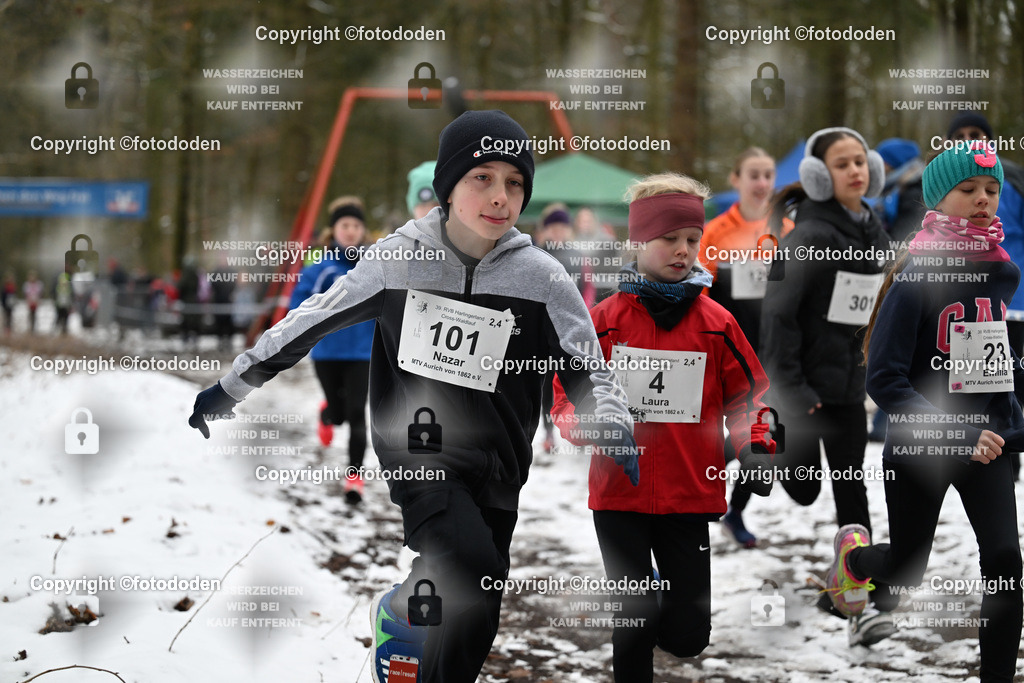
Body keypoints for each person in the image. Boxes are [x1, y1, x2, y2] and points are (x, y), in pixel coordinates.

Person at [188, 110, 638, 683]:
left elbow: (586, 364)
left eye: (514, 182)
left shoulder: (542, 277)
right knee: (469, 563)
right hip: (419, 450)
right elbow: (310, 321)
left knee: (477, 613)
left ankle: (410, 623)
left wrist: (612, 421)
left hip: (501, 462)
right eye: (482, 178)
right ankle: (404, 608)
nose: (500, 196)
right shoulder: (398, 259)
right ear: (447, 185)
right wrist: (233, 385)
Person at [552, 172, 775, 682]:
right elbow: (566, 396)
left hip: (689, 496)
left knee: (687, 636)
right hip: (618, 497)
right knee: (633, 623)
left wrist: (757, 445)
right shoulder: (603, 321)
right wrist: (594, 426)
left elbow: (751, 396)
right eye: (669, 238)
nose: (683, 250)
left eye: (692, 239)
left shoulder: (717, 323)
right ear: (637, 242)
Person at [826, 143, 1024, 678]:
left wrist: (1011, 422)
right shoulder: (915, 279)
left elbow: (991, 361)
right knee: (903, 571)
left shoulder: (1001, 270)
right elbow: (884, 380)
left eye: (991, 190)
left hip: (986, 448)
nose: (983, 199)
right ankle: (853, 560)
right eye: (968, 189)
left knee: (1005, 561)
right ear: (938, 199)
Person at [760, 127, 894, 637]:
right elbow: (777, 317)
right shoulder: (809, 237)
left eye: (860, 161)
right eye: (842, 164)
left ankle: (856, 595)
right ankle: (765, 449)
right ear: (819, 176)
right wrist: (792, 390)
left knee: (851, 489)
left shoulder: (875, 231)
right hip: (802, 394)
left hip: (848, 389)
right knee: (803, 488)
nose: (856, 170)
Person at [700, 147, 791, 547]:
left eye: (768, 174)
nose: (762, 183)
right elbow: (700, 294)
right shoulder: (715, 232)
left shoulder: (787, 230)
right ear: (735, 179)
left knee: (766, 437)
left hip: (775, 354)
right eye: (754, 174)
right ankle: (700, 485)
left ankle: (736, 510)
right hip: (729, 353)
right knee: (726, 433)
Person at [289, 196, 375, 504]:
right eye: (345, 225)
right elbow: (298, 305)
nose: (350, 231)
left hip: (363, 353)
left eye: (356, 226)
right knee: (339, 416)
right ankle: (327, 413)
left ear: (363, 231)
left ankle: (354, 478)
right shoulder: (319, 270)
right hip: (327, 353)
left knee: (356, 414)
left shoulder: (374, 267)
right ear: (334, 231)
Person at [534, 203, 593, 453]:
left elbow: (588, 290)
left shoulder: (579, 256)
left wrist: (583, 318)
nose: (557, 231)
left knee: (576, 381)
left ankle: (580, 429)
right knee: (546, 384)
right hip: (544, 331)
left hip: (571, 330)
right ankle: (548, 432)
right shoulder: (536, 255)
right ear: (545, 230)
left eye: (562, 227)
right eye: (553, 227)